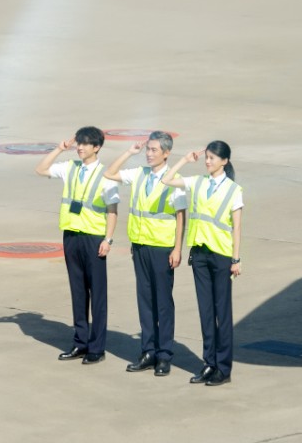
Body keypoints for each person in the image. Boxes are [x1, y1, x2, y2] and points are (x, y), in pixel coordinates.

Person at [103, 131, 187, 376]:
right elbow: (109, 173)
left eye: (153, 150)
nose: (149, 154)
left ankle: (164, 355)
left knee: (163, 303)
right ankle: (148, 351)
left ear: (166, 153)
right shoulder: (139, 174)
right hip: (139, 246)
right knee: (145, 301)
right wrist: (130, 153)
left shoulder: (174, 179)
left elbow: (181, 216)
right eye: (148, 149)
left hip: (162, 249)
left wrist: (178, 248)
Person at [35, 126, 119, 364]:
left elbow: (112, 211)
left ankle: (97, 347)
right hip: (71, 236)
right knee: (78, 291)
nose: (79, 147)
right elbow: (40, 169)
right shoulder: (70, 167)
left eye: (84, 144)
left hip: (94, 239)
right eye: (78, 143)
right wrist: (59, 149)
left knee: (98, 294)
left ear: (97, 147)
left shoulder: (106, 174)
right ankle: (80, 342)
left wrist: (108, 239)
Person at [162, 140, 242, 386]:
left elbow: (237, 226)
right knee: (206, 313)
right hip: (199, 255)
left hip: (221, 256)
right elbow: (166, 179)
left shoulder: (233, 189)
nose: (208, 161)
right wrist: (185, 160)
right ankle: (209, 363)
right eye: (206, 157)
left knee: (222, 314)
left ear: (224, 161)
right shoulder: (197, 182)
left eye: (213, 158)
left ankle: (223, 368)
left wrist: (236, 259)